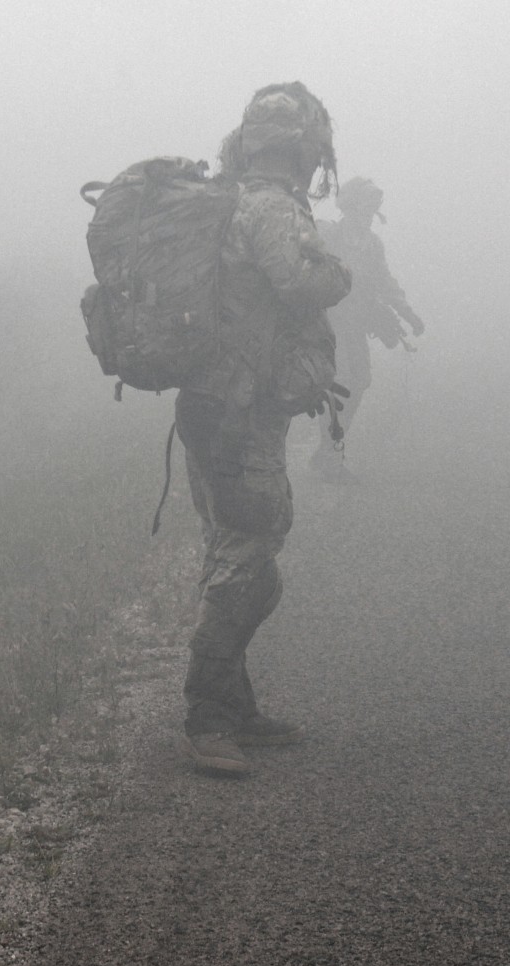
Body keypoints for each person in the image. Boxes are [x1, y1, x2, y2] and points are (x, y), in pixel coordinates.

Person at [177, 82, 352, 775]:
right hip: (238, 412)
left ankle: (234, 704)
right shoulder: (273, 208)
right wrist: (339, 269)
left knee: (245, 558)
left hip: (211, 404)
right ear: (301, 149)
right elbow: (304, 284)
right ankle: (207, 718)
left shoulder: (227, 202)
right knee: (248, 557)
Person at [310, 177, 425, 481]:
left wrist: (408, 314)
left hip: (355, 326)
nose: (370, 212)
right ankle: (331, 456)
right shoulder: (329, 236)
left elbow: (385, 283)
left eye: (373, 207)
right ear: (351, 206)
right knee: (341, 382)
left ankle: (327, 449)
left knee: (359, 381)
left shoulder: (373, 245)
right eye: (365, 206)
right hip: (326, 324)